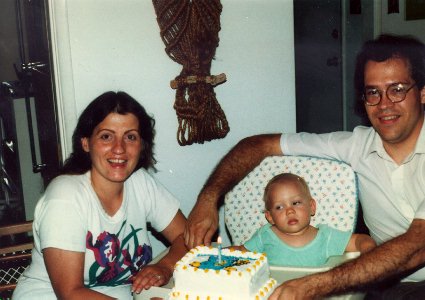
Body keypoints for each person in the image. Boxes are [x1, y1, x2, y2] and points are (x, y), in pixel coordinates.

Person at [184, 33, 425, 299]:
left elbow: (416, 247)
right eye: (373, 93)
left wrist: (310, 285)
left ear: (423, 92)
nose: (384, 104)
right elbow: (258, 145)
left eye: (398, 89)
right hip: (386, 285)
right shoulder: (355, 144)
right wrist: (208, 199)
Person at [13, 91, 188, 300]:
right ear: (85, 143)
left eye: (130, 137)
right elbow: (70, 293)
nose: (119, 149)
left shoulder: (140, 183)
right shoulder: (65, 195)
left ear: (141, 146)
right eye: (106, 136)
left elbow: (187, 237)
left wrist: (166, 266)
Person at [232, 173, 375, 267]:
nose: (289, 211)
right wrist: (214, 253)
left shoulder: (325, 237)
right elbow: (239, 253)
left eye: (296, 203)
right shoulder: (264, 236)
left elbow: (358, 241)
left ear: (312, 207)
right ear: (270, 217)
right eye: (279, 207)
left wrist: (369, 250)